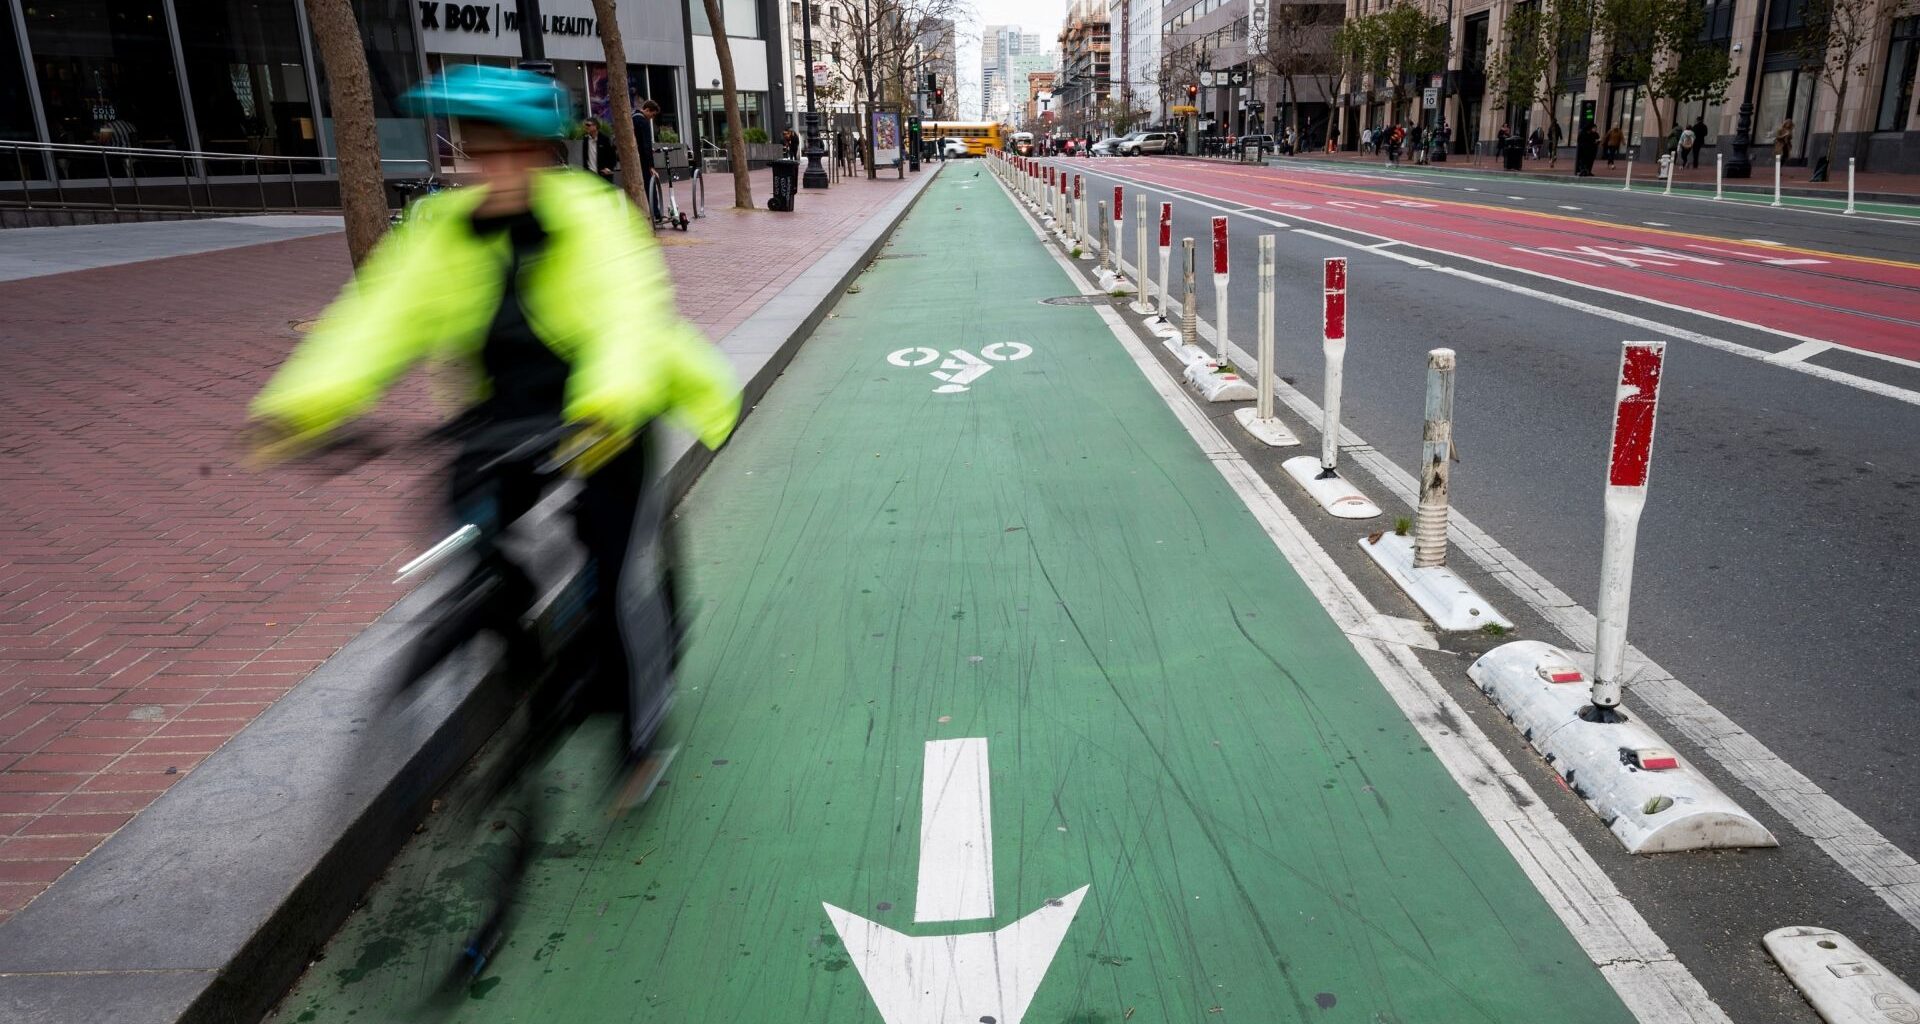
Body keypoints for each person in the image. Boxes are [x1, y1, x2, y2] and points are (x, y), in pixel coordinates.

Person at [250, 65, 740, 762]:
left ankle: (641, 726)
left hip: (604, 415)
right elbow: (375, 319)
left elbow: (628, 320)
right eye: (481, 153)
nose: (496, 169)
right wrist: (301, 406)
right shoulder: (438, 232)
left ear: (544, 154)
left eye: (514, 152)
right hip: (499, 421)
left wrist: (605, 406)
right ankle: (516, 654)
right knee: (465, 531)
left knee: (617, 565)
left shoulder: (594, 218)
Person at [631, 99, 662, 224]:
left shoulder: (631, 118)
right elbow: (646, 145)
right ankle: (655, 213)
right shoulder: (643, 122)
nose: (652, 118)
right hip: (643, 161)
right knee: (650, 185)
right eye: (652, 114)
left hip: (632, 160)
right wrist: (651, 166)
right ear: (647, 110)